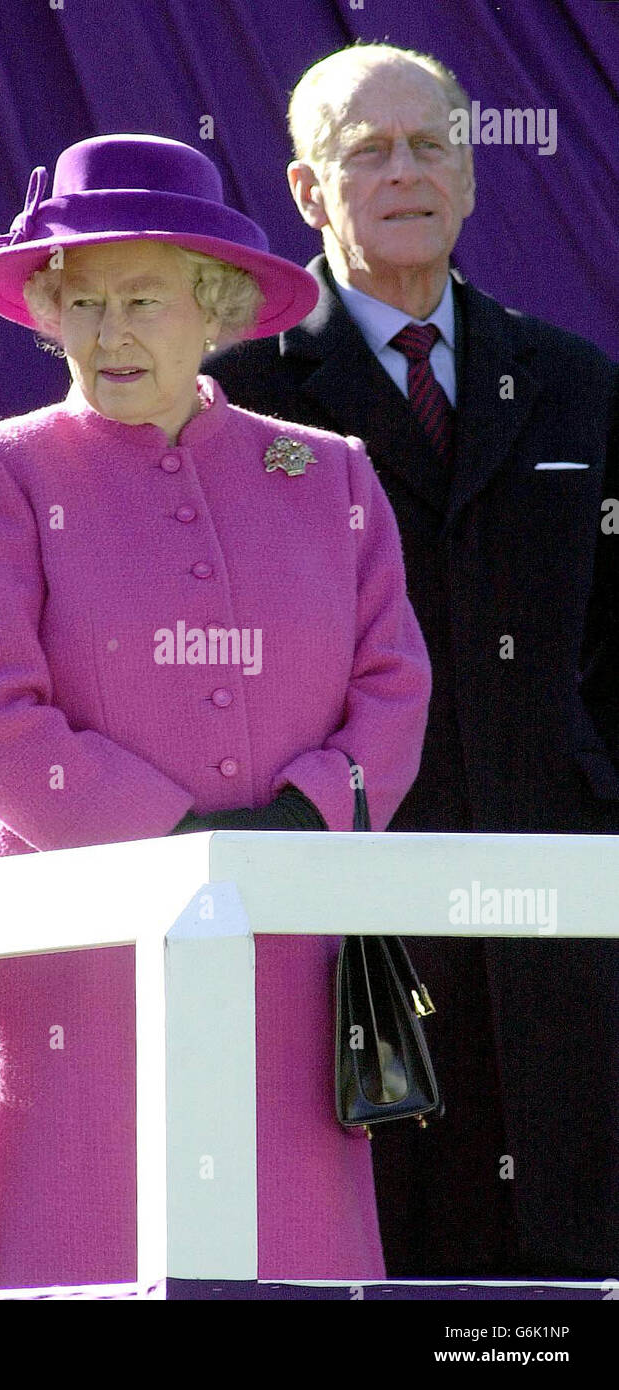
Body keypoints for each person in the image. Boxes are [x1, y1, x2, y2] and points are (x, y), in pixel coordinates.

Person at [0, 132, 432, 1288]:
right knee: (76, 1249)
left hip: (285, 944)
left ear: (213, 308)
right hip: (78, 956)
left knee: (288, 1259)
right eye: (81, 300)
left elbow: (392, 687)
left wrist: (303, 828)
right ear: (46, 312)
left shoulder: (331, 472)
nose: (107, 333)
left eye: (142, 300)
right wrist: (169, 845)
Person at [209, 42, 619, 1280]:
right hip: (347, 911)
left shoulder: (574, 385)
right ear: (305, 188)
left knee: (559, 1254)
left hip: (557, 904)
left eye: (430, 143)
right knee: (364, 1248)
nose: (404, 172)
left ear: (471, 172)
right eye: (365, 151)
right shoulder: (238, 402)